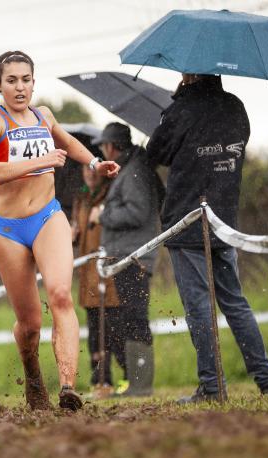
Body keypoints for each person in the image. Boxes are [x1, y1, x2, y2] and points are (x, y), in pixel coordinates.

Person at [0, 50, 120, 411]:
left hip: (48, 217)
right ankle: (33, 375)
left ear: (33, 82)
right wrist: (39, 161)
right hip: (9, 230)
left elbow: (66, 142)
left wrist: (93, 161)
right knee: (29, 324)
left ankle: (68, 387)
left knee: (60, 295)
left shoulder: (44, 115)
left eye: (25, 79)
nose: (19, 87)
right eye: (11, 80)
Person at [146, 73, 268, 403]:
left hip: (187, 221)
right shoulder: (236, 106)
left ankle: (212, 386)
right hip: (224, 219)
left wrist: (176, 103)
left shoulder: (182, 110)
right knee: (235, 302)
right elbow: (239, 145)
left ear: (191, 73)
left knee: (199, 306)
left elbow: (155, 153)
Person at [88, 122, 163, 397]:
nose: (102, 151)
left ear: (112, 146)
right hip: (127, 257)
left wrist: (104, 215)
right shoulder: (131, 170)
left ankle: (141, 386)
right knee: (130, 319)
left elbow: (138, 213)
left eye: (104, 146)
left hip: (134, 258)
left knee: (135, 318)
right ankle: (136, 383)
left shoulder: (133, 173)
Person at [70, 154, 120, 398]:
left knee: (109, 330)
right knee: (93, 331)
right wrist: (73, 233)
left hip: (108, 274)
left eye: (92, 169)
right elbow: (77, 233)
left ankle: (112, 380)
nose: (88, 174)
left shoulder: (110, 196)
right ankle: (97, 380)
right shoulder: (80, 199)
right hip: (87, 276)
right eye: (84, 169)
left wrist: (101, 216)